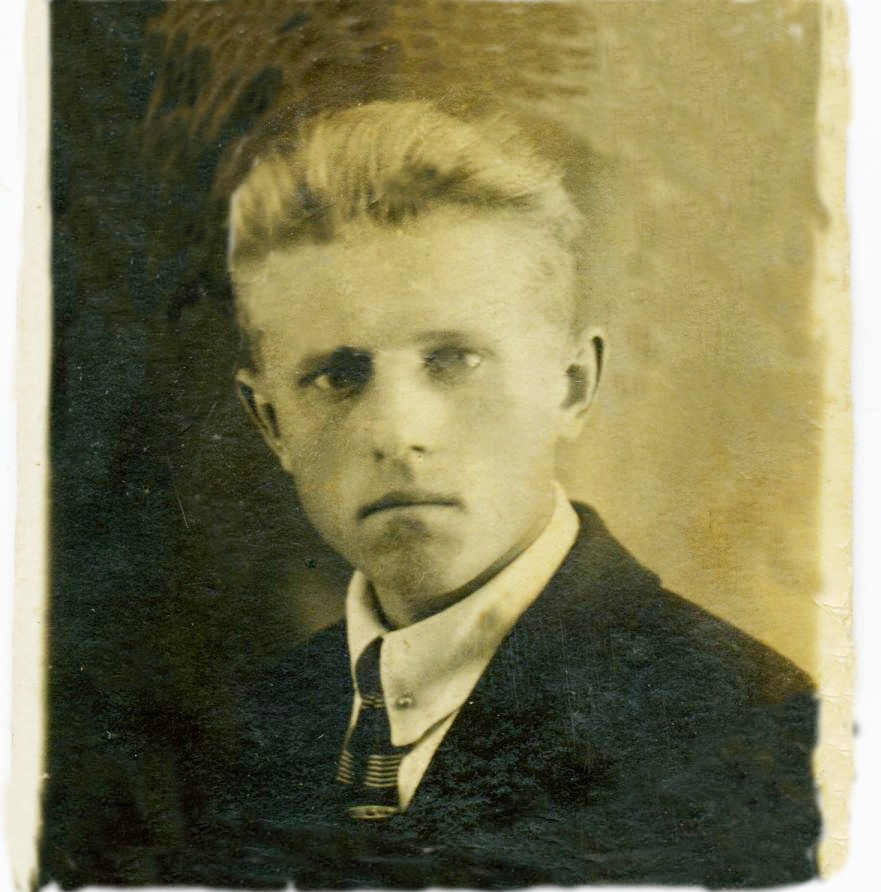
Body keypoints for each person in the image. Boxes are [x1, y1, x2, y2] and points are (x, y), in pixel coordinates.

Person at [209, 100, 820, 888]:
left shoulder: (759, 735)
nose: (397, 433)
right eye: (336, 376)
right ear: (271, 425)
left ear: (570, 388)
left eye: (454, 360)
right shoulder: (254, 723)